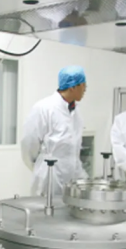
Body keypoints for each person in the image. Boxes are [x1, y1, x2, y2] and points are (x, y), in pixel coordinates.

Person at [21, 65, 88, 196]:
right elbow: (28, 144)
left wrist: (83, 178)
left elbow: (73, 151)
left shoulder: (76, 111)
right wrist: (40, 167)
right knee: (47, 207)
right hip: (48, 177)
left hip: (72, 178)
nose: (85, 89)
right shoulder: (44, 108)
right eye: (83, 85)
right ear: (72, 87)